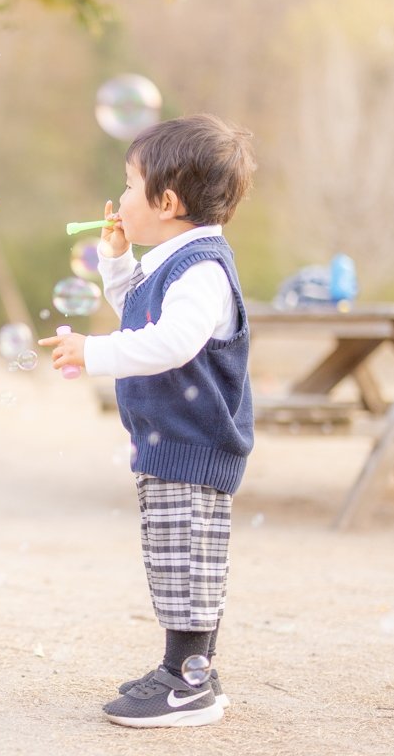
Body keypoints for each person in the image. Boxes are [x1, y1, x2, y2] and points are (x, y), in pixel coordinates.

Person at [38, 113, 256, 728]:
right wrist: (117, 261)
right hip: (172, 442)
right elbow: (141, 311)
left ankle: (190, 685)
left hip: (192, 443)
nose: (121, 197)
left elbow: (168, 344)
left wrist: (94, 352)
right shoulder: (172, 263)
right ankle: (183, 670)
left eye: (130, 185)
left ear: (166, 201)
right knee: (174, 557)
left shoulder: (203, 270)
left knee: (187, 559)